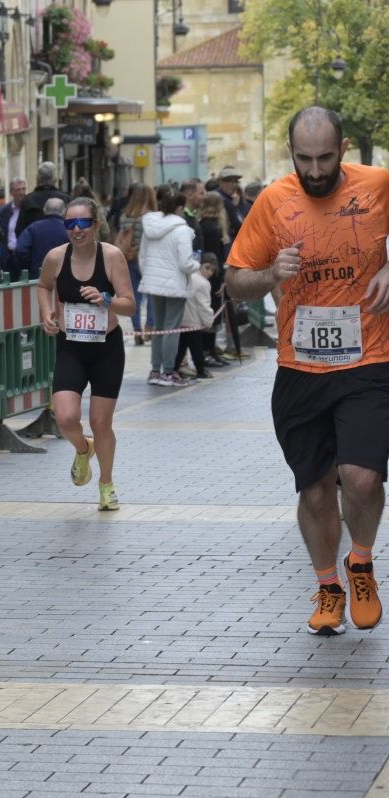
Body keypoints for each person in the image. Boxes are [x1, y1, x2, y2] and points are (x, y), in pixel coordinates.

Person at [225, 106, 389, 637]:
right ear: (290, 153)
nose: (314, 171)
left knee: (361, 479)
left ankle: (359, 563)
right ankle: (327, 585)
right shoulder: (274, 201)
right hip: (300, 368)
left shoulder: (379, 186)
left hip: (369, 359)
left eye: (324, 159)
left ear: (343, 149)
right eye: (303, 160)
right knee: (317, 490)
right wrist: (270, 272)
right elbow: (234, 281)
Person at [37, 197, 135, 512]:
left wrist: (106, 300)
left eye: (82, 223)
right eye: (70, 224)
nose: (76, 230)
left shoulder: (111, 257)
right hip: (71, 346)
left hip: (106, 348)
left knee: (100, 421)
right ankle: (83, 449)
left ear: (95, 225)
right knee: (65, 417)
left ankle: (106, 485)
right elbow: (43, 285)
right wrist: (47, 314)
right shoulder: (55, 258)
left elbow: (129, 304)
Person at [138, 185, 200, 387]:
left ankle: (155, 371)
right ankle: (168, 371)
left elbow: (143, 257)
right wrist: (196, 265)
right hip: (175, 285)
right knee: (171, 328)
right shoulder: (182, 230)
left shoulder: (150, 225)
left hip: (153, 283)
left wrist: (149, 275)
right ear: (179, 207)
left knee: (158, 327)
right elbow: (185, 263)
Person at [197, 192, 237, 365]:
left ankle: (209, 350)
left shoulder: (201, 224)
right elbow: (215, 257)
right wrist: (221, 279)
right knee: (211, 314)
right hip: (212, 277)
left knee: (209, 313)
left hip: (204, 275)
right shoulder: (215, 228)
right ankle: (208, 350)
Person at [118, 184, 157, 345]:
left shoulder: (125, 215)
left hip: (130, 259)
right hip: (148, 260)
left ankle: (137, 330)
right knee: (152, 295)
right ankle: (149, 327)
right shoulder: (152, 217)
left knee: (134, 296)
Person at [174, 253, 215, 379]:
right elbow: (204, 306)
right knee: (196, 348)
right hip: (194, 322)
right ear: (200, 266)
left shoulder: (189, 277)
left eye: (212, 270)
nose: (209, 272)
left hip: (182, 320)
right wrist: (209, 322)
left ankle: (172, 370)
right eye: (207, 268)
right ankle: (201, 371)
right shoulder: (203, 283)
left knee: (181, 349)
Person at [15, 197, 69, 279]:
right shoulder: (69, 229)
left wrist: (28, 267)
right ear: (64, 211)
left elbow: (21, 249)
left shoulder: (33, 228)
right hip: (63, 276)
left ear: (44, 210)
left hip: (37, 277)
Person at [16, 161, 71, 235]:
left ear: (37, 179)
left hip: (35, 244)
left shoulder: (27, 200)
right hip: (62, 244)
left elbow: (19, 231)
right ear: (55, 179)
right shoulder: (66, 199)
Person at [0, 178, 27, 280]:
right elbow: (1, 235)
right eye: (18, 190)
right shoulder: (3, 211)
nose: (22, 192)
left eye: (23, 189)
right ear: (11, 192)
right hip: (8, 258)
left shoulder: (29, 209)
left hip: (25, 257)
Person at [215, 166, 249, 237]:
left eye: (236, 181)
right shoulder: (216, 198)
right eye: (230, 181)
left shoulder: (237, 198)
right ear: (221, 182)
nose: (234, 185)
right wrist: (233, 206)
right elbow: (236, 225)